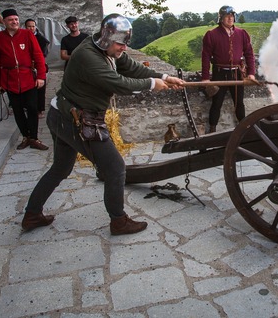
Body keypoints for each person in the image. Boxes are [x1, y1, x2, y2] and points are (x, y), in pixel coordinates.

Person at [21, 14, 185, 235]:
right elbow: (117, 83)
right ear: (107, 38)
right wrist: (151, 84)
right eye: (120, 43)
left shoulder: (105, 48)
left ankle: (32, 215)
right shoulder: (87, 56)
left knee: (61, 168)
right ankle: (119, 221)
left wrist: (165, 76)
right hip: (75, 120)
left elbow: (131, 67)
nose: (123, 48)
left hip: (63, 115)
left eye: (126, 43)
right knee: (115, 168)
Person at [0, 9, 49, 150]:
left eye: (16, 19)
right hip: (9, 80)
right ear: (4, 22)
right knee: (17, 110)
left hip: (27, 77)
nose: (15, 22)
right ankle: (26, 137)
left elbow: (38, 55)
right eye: (11, 20)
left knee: (32, 108)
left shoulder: (27, 34)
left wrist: (41, 76)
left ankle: (34, 138)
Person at [201, 5, 256, 133]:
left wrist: (251, 74)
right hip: (219, 73)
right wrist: (205, 78)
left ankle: (244, 131)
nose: (230, 18)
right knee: (216, 103)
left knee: (239, 103)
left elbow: (249, 54)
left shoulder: (242, 34)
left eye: (232, 16)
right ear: (221, 18)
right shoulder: (211, 35)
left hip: (237, 73)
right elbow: (206, 57)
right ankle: (212, 131)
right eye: (227, 16)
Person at [25, 19, 50, 118]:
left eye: (33, 26)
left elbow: (43, 53)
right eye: (29, 26)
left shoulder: (41, 39)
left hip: (38, 66)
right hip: (26, 67)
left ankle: (40, 109)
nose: (31, 28)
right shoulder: (23, 37)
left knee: (40, 88)